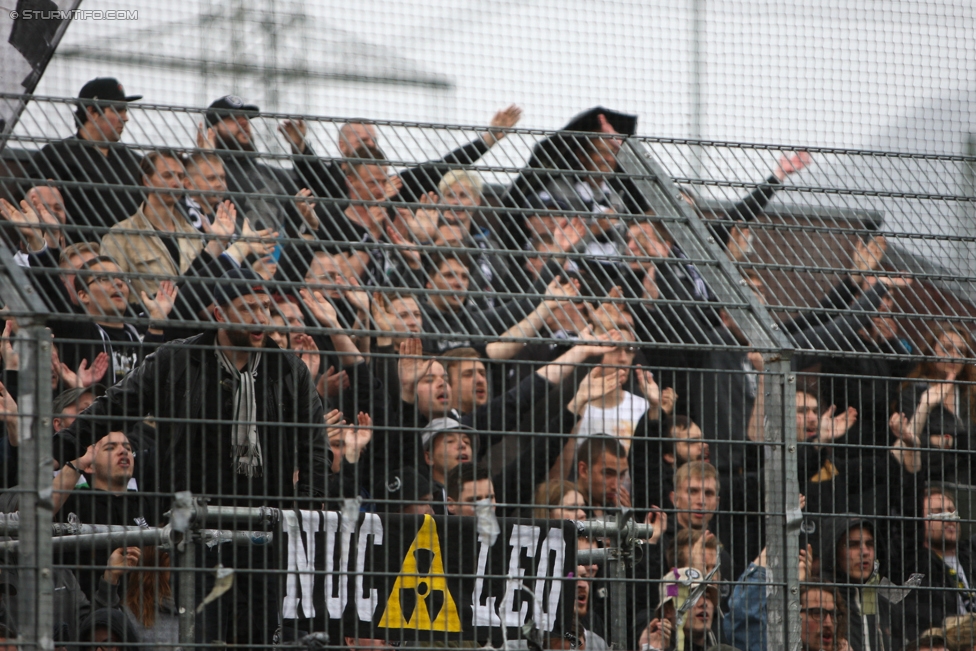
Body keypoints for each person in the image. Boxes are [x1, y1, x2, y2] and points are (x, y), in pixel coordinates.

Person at [50, 267, 337, 648]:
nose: (260, 318)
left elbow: (314, 447)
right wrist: (56, 449)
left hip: (264, 530)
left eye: (265, 307)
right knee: (204, 636)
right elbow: (115, 406)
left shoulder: (289, 370)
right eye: (248, 308)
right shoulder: (176, 360)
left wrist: (305, 512)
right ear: (219, 315)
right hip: (198, 527)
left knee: (257, 636)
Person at [101, 150, 236, 301]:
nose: (176, 182)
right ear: (147, 181)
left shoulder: (192, 234)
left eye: (180, 176)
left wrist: (218, 242)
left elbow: (200, 287)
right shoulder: (121, 236)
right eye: (167, 175)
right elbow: (109, 295)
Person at [30, 77, 144, 241]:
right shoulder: (57, 156)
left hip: (132, 255)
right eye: (118, 110)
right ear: (91, 112)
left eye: (125, 110)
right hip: (79, 254)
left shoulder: (134, 162)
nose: (125, 117)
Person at [890, 325, 976, 484]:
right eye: (947, 349)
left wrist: (940, 441)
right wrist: (957, 443)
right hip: (928, 483)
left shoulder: (971, 394)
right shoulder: (913, 393)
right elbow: (913, 445)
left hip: (968, 484)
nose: (954, 356)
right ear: (931, 351)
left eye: (961, 351)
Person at [902, 488, 976, 642]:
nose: (949, 518)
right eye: (938, 512)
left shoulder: (969, 557)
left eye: (951, 511)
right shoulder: (916, 566)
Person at [817, 518, 900, 651]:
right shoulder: (820, 598)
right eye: (853, 544)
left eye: (870, 544)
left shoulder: (887, 601)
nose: (864, 552)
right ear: (834, 550)